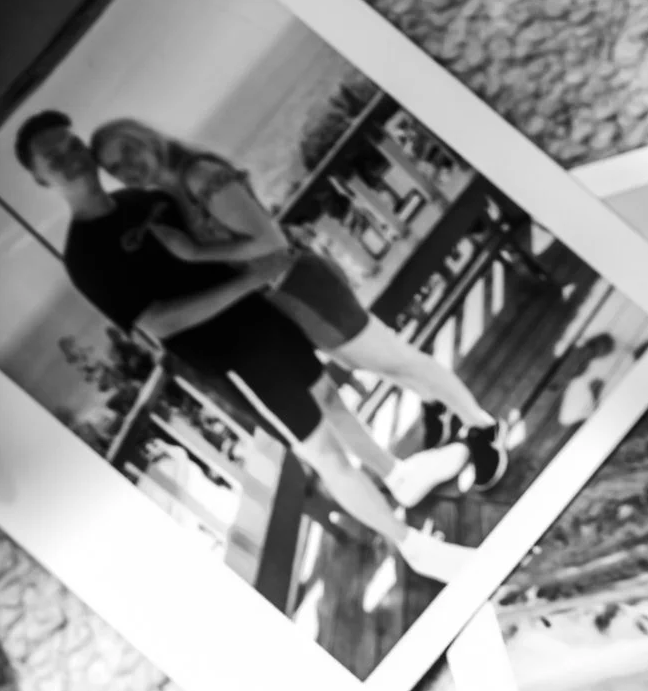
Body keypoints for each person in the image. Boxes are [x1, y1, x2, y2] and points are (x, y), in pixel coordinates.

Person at [13, 110, 462, 588]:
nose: (69, 157)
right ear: (41, 179)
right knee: (323, 452)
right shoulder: (84, 256)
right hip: (229, 359)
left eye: (70, 144)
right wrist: (250, 277)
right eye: (53, 157)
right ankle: (414, 548)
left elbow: (212, 239)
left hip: (263, 321)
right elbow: (159, 322)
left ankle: (398, 476)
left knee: (330, 400)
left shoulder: (139, 200)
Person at [85, 116, 507, 473]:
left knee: (391, 356)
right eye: (115, 168)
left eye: (129, 151)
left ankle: (482, 426)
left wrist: (196, 252)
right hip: (280, 297)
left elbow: (268, 241)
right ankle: (435, 401)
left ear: (145, 138)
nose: (127, 168)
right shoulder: (171, 191)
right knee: (364, 359)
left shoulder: (200, 176)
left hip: (300, 285)